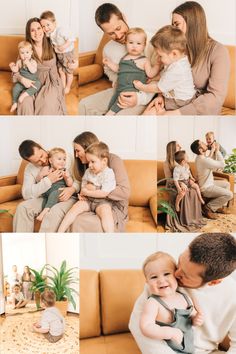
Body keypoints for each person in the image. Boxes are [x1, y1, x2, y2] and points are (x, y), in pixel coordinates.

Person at [129, 232, 236, 354]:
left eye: (185, 275)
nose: (175, 274)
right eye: (179, 263)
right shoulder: (162, 282)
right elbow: (137, 324)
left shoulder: (232, 296)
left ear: (214, 282)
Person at [144, 1, 230, 116]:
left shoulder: (218, 52)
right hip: (173, 102)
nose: (173, 30)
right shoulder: (177, 50)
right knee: (146, 118)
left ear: (192, 24)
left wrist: (177, 113)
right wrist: (161, 97)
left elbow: (215, 97)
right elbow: (167, 75)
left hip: (198, 110)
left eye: (176, 24)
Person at [79, 3, 157, 115]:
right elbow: (107, 69)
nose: (118, 35)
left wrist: (139, 99)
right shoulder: (108, 49)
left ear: (124, 18)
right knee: (83, 105)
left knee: (120, 116)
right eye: (111, 33)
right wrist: (116, 79)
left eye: (118, 28)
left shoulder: (150, 40)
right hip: (120, 89)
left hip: (145, 94)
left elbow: (160, 77)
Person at [66, 132, 130, 232]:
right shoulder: (85, 165)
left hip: (113, 205)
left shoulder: (114, 160)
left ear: (87, 147)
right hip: (91, 202)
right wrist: (82, 193)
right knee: (75, 218)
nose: (76, 155)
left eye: (78, 151)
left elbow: (124, 191)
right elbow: (84, 184)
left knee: (86, 222)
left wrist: (95, 189)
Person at [141, 251, 203, 353]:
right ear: (147, 282)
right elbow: (146, 326)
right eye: (153, 277)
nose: (161, 280)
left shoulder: (185, 297)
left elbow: (191, 318)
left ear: (176, 275)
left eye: (166, 274)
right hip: (167, 348)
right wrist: (168, 332)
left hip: (188, 346)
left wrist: (196, 319)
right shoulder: (153, 303)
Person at [13, 140, 79, 233]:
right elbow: (26, 194)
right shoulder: (30, 169)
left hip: (65, 196)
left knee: (52, 213)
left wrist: (72, 189)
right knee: (23, 208)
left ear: (41, 147)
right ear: (30, 162)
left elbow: (79, 180)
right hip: (45, 197)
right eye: (37, 161)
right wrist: (48, 180)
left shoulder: (62, 157)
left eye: (42, 155)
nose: (43, 160)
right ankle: (22, 245)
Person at [134, 25, 195, 114]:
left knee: (153, 114)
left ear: (174, 54)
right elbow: (164, 74)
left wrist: (141, 87)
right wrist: (153, 78)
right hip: (172, 97)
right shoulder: (173, 61)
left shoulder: (178, 69)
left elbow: (158, 88)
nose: (158, 58)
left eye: (160, 55)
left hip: (180, 102)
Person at [13, 18, 68, 115]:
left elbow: (64, 62)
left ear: (43, 29)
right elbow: (15, 72)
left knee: (46, 105)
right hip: (31, 83)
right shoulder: (26, 49)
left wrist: (72, 65)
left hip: (50, 83)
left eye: (39, 28)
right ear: (29, 33)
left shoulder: (53, 43)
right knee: (24, 103)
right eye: (32, 30)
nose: (36, 32)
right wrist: (22, 80)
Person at [58, 142, 116, 232]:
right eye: (89, 162)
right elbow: (84, 183)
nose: (89, 165)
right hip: (88, 200)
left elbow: (104, 193)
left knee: (106, 212)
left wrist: (87, 192)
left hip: (102, 201)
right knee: (74, 208)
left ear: (104, 161)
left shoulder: (108, 173)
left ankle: (110, 236)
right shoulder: (89, 171)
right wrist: (82, 193)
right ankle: (60, 232)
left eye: (93, 162)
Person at [104, 27, 160, 115]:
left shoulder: (144, 60)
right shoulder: (124, 57)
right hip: (120, 87)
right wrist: (109, 63)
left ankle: (109, 114)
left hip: (132, 88)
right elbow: (119, 69)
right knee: (112, 103)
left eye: (138, 43)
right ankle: (109, 111)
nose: (134, 46)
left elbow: (150, 74)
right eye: (131, 43)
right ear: (126, 43)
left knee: (117, 105)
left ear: (144, 45)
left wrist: (157, 65)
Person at [162, 141, 204, 232]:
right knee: (183, 193)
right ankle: (183, 219)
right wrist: (180, 183)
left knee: (193, 191)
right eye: (178, 145)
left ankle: (192, 218)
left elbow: (187, 174)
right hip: (172, 185)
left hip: (184, 182)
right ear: (172, 148)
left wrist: (190, 179)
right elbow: (169, 180)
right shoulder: (167, 163)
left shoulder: (183, 162)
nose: (180, 146)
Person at [190, 140, 233, 219]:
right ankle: (208, 208)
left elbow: (209, 160)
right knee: (230, 194)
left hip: (209, 183)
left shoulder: (199, 158)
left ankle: (218, 207)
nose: (204, 143)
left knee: (227, 184)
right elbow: (222, 164)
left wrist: (213, 150)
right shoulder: (204, 160)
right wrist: (217, 151)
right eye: (202, 143)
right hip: (206, 188)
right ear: (200, 150)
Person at [40, 11, 76, 94]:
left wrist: (64, 46)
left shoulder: (61, 30)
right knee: (61, 71)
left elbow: (71, 39)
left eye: (48, 25)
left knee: (69, 72)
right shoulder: (50, 33)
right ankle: (62, 86)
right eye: (43, 26)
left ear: (55, 23)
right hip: (59, 55)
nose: (46, 28)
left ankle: (68, 87)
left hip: (67, 54)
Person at [36, 147, 74, 222]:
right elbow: (38, 180)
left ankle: (44, 212)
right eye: (59, 159)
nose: (62, 161)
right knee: (47, 198)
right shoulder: (46, 168)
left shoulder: (65, 171)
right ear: (50, 160)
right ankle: (46, 209)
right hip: (46, 192)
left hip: (58, 191)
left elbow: (70, 184)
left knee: (54, 194)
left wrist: (67, 177)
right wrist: (42, 175)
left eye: (64, 159)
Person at [9, 41, 41, 112]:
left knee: (38, 84)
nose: (25, 55)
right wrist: (12, 67)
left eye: (27, 52)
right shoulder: (19, 62)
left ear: (31, 52)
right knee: (15, 88)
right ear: (19, 54)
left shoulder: (33, 62)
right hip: (22, 82)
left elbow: (33, 71)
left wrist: (28, 64)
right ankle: (15, 102)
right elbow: (16, 70)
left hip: (32, 81)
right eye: (22, 53)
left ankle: (25, 94)